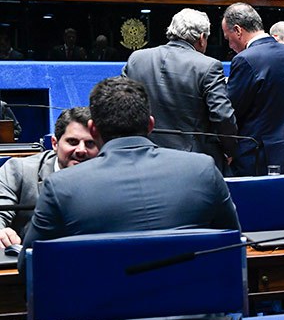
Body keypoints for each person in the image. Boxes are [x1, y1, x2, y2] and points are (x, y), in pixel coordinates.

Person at [22, 77, 240, 249]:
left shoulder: (61, 185)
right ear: (151, 125)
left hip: (100, 304)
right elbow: (232, 243)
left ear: (93, 129)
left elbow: (31, 264)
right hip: (195, 303)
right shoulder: (203, 169)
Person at [123, 8, 238, 172]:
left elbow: (122, 104)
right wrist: (231, 150)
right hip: (191, 162)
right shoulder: (208, 66)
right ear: (202, 38)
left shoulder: (137, 58)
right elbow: (222, 115)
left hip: (141, 156)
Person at [223, 3, 284, 175]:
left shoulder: (244, 59)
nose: (229, 44)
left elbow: (231, 110)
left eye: (228, 37)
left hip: (258, 158)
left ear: (238, 30)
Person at [0, 107, 99, 249]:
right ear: (54, 143)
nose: (81, 150)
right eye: (72, 142)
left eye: (90, 143)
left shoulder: (110, 177)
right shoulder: (18, 170)